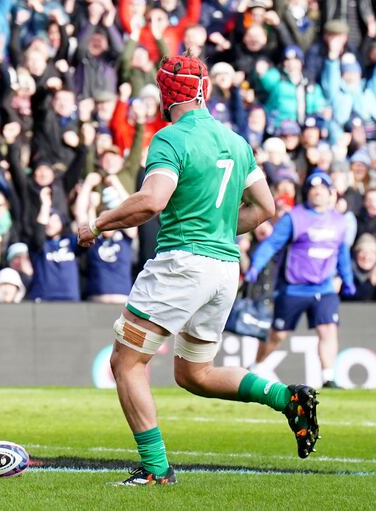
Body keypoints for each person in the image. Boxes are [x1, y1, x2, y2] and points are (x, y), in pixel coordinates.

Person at [77, 54, 319, 486]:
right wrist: (222, 228)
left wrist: (96, 223)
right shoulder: (236, 142)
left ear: (167, 93)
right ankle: (287, 397)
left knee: (126, 362)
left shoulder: (170, 139)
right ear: (204, 89)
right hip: (225, 267)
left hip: (181, 264)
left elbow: (152, 201)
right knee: (194, 373)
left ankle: (155, 469)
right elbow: (265, 208)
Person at [245, 172, 356, 389]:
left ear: (330, 193)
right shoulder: (294, 218)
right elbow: (271, 244)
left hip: (324, 287)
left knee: (328, 329)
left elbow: (342, 253)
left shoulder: (339, 222)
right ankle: (255, 367)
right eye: (313, 189)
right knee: (277, 335)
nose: (317, 193)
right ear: (307, 193)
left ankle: (328, 377)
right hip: (293, 287)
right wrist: (256, 266)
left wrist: (347, 278)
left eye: (322, 189)